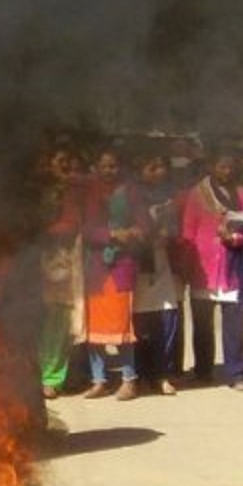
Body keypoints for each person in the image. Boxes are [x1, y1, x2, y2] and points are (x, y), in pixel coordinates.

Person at [179, 151, 243, 390]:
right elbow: (188, 230)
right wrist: (185, 263)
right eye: (222, 166)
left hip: (233, 267)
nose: (227, 171)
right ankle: (203, 371)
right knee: (202, 325)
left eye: (230, 166)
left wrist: (234, 237)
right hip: (202, 268)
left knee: (235, 323)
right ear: (211, 166)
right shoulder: (197, 194)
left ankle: (237, 373)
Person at [79, 149, 150, 400]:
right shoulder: (89, 192)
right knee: (93, 327)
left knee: (122, 326)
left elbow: (144, 225)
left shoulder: (131, 191)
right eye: (105, 166)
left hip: (122, 265)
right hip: (96, 268)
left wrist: (132, 233)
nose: (110, 171)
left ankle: (129, 379)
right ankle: (99, 380)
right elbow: (85, 228)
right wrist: (109, 235)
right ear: (96, 167)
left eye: (114, 166)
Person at [132, 154, 182, 397]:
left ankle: (163, 373)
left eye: (162, 166)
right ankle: (142, 375)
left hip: (163, 263)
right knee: (140, 323)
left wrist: (167, 233)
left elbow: (176, 227)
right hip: (138, 265)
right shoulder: (128, 195)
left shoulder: (169, 195)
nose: (158, 172)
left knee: (167, 319)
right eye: (153, 166)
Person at [36, 147, 83, 398]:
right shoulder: (35, 191)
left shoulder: (73, 193)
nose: (65, 167)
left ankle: (51, 378)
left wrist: (41, 230)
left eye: (68, 162)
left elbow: (72, 224)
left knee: (58, 323)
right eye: (60, 161)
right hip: (31, 265)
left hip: (61, 266)